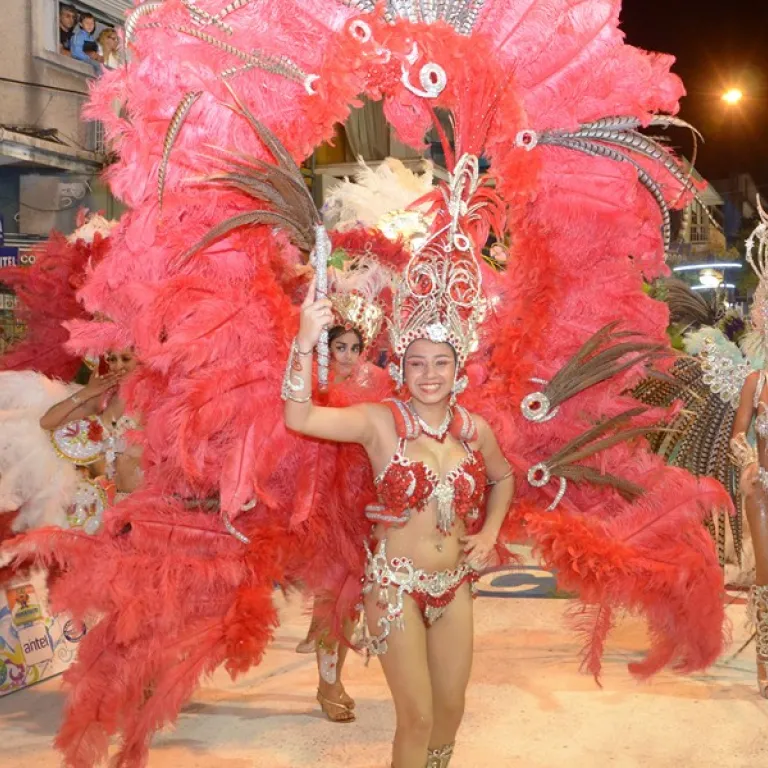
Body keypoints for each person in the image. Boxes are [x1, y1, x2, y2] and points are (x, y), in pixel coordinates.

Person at [284, 271, 515, 766]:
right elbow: (299, 418)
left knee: (450, 711)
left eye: (441, 362)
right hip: (395, 588)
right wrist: (303, 343)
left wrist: (490, 532)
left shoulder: (475, 430)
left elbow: (504, 477)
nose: (429, 374)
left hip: (454, 584)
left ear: (458, 368)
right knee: (417, 717)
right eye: (417, 363)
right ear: (401, 366)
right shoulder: (378, 422)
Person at [731, 198, 768, 698]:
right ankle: (765, 659)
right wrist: (749, 463)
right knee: (766, 573)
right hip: (764, 491)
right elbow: (739, 434)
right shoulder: (756, 383)